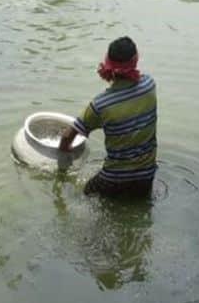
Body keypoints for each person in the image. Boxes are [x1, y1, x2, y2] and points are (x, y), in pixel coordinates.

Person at [59, 36, 157, 197]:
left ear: (107, 62)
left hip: (113, 180)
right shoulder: (150, 86)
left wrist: (63, 161)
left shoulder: (101, 105)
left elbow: (67, 136)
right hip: (146, 178)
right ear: (136, 59)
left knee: (82, 194)